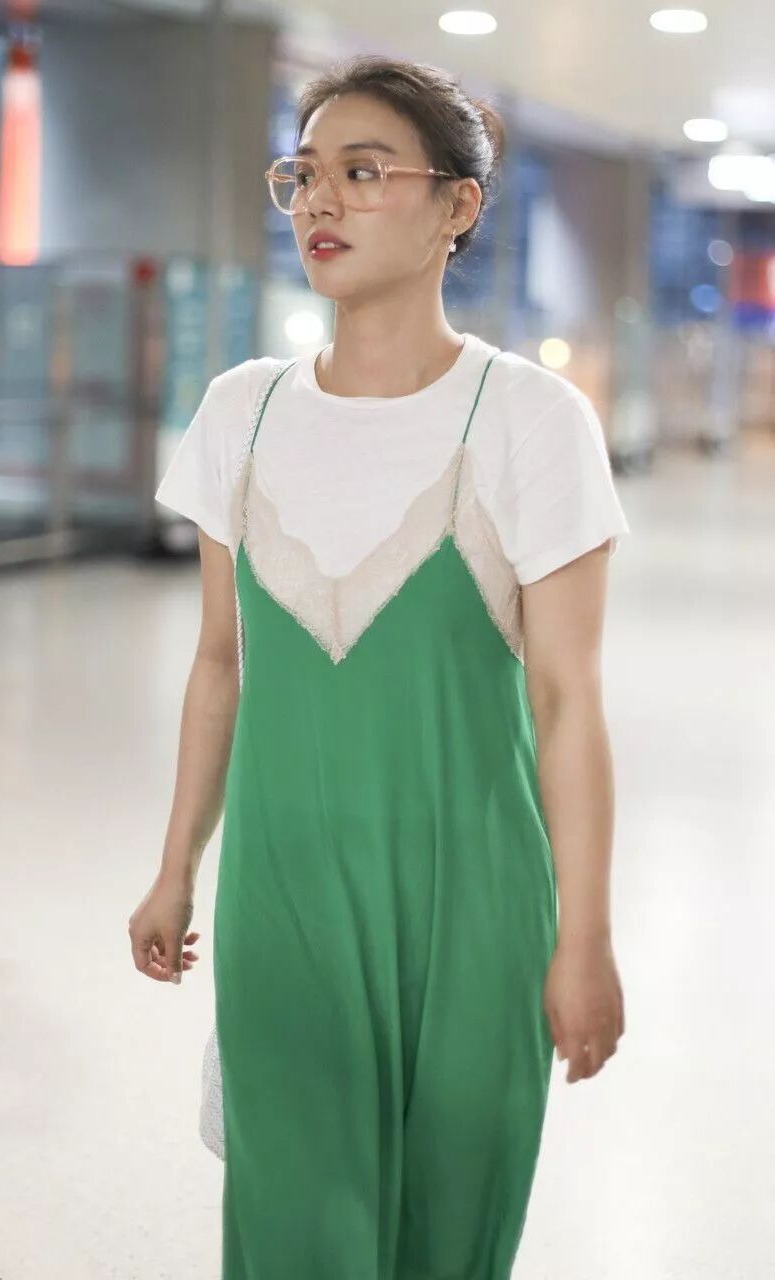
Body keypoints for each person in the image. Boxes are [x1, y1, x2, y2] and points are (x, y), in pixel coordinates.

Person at [129, 53, 630, 1280]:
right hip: (282, 895)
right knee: (296, 1233)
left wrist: (583, 937)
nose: (318, 200)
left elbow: (566, 700)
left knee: (446, 1238)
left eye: (362, 172)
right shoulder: (241, 412)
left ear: (457, 205)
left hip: (475, 906)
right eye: (303, 174)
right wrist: (175, 867)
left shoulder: (527, 418)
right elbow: (218, 664)